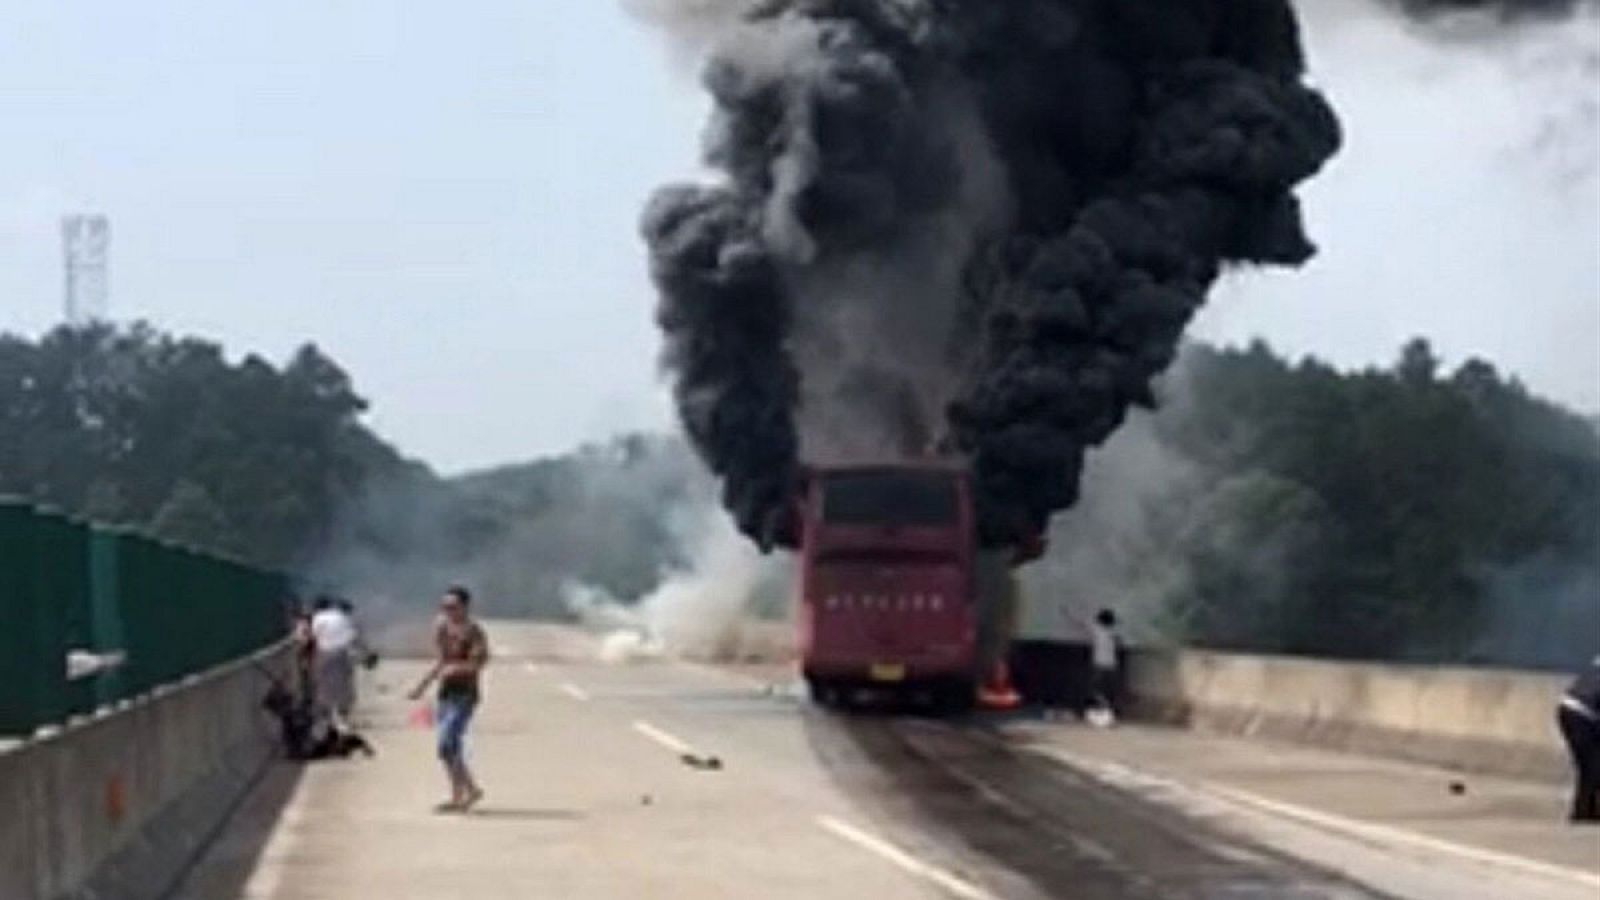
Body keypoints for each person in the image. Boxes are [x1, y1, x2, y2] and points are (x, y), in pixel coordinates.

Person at [408, 585, 490, 813]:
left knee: (448, 740)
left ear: (465, 607)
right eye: (445, 607)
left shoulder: (474, 632)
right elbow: (441, 661)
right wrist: (421, 686)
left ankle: (465, 792)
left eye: (453, 607)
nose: (448, 611)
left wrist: (457, 669)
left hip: (465, 694)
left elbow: (478, 663)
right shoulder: (442, 628)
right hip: (446, 693)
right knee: (447, 748)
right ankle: (465, 792)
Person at [1558, 655, 1600, 823]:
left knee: (1588, 766)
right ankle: (1582, 812)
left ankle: (1584, 810)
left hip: (1568, 710)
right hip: (1581, 714)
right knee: (1593, 765)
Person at [310, 596, 358, 728]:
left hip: (325, 654)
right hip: (342, 654)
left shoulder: (318, 618)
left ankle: (327, 718)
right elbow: (352, 637)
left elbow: (314, 636)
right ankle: (343, 719)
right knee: (344, 685)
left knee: (324, 685)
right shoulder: (342, 616)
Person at [1087, 608, 1122, 724]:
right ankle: (1108, 710)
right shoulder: (1114, 632)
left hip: (1100, 664)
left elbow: (1079, 624)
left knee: (1097, 689)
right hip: (1112, 664)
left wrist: (1067, 615)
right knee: (1109, 689)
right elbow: (1118, 645)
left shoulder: (1097, 630)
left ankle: (1103, 708)